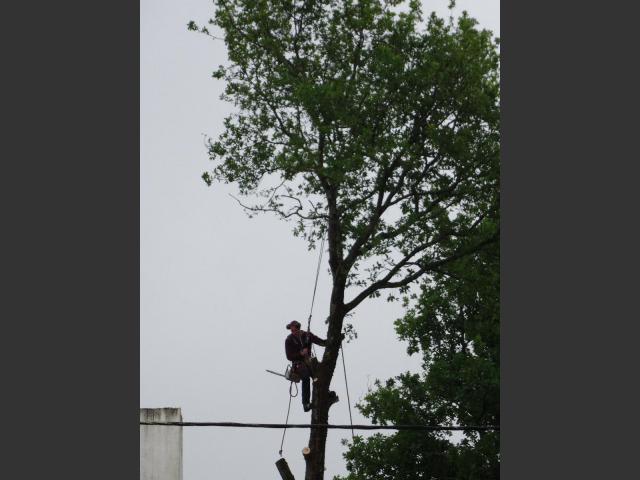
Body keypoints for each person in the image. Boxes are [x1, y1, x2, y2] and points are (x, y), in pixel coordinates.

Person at [284, 320, 334, 412]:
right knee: (306, 377)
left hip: (309, 362)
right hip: (298, 364)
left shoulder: (307, 335)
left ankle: (326, 393)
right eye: (291, 330)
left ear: (298, 328)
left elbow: (319, 341)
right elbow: (289, 356)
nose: (292, 331)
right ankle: (306, 403)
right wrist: (300, 353)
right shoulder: (289, 340)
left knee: (319, 377)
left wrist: (330, 342)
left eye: (293, 329)